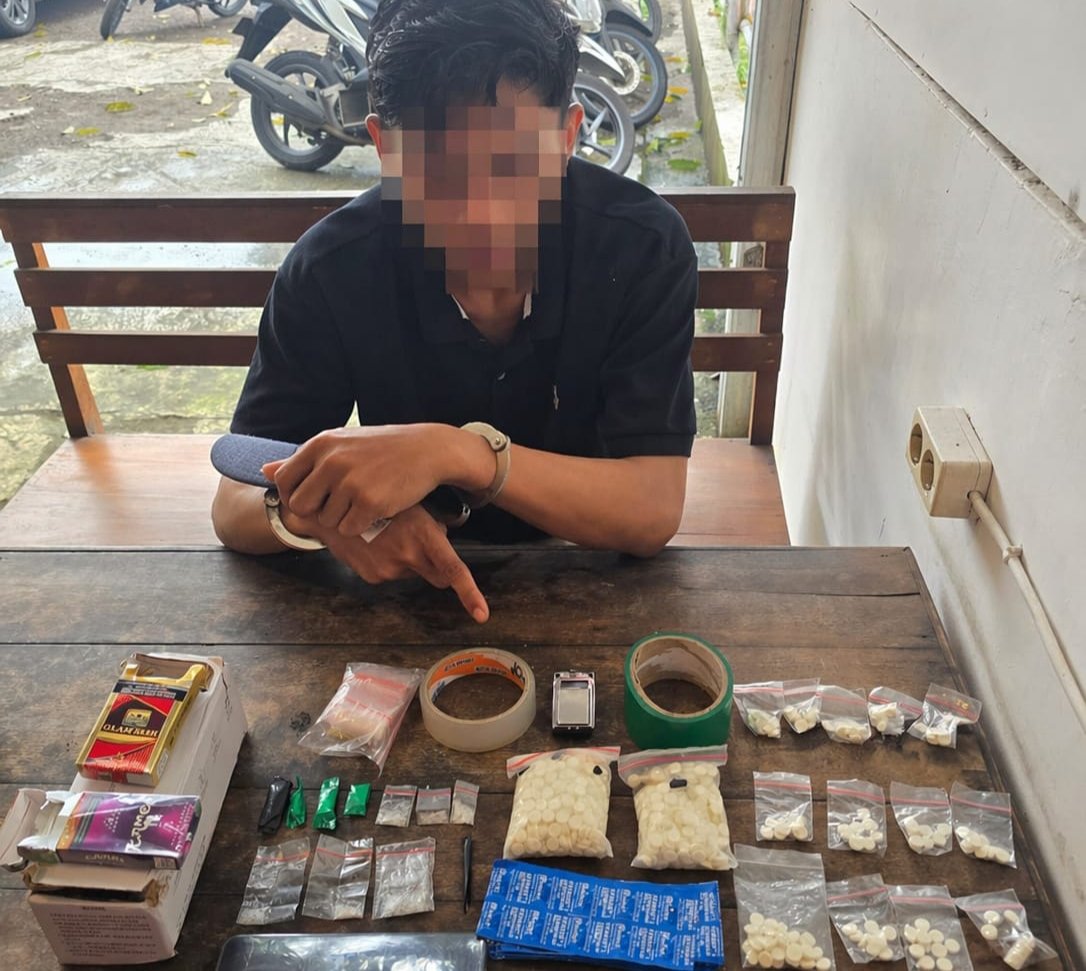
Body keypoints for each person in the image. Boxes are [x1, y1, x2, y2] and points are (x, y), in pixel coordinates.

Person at [211, 0, 697, 623]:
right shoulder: (332, 268)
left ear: (567, 135)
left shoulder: (639, 247)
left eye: (513, 165)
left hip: (586, 564)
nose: (480, 216)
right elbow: (234, 501)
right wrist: (329, 519)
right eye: (437, 173)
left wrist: (461, 453)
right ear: (384, 147)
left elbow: (652, 509)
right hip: (402, 600)